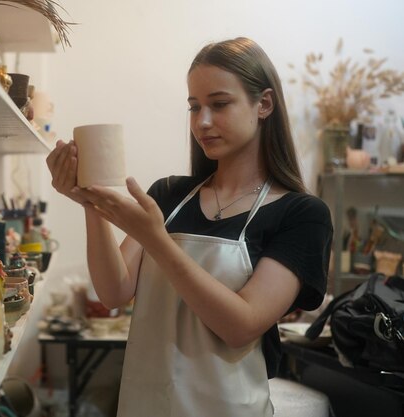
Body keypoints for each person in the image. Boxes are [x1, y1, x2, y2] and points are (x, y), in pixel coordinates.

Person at [46, 37, 333, 417]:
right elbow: (113, 291)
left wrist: (157, 241)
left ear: (263, 104)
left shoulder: (302, 214)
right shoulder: (170, 194)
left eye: (219, 104)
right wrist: (90, 203)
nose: (203, 122)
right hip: (146, 404)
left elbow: (241, 325)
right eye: (194, 107)